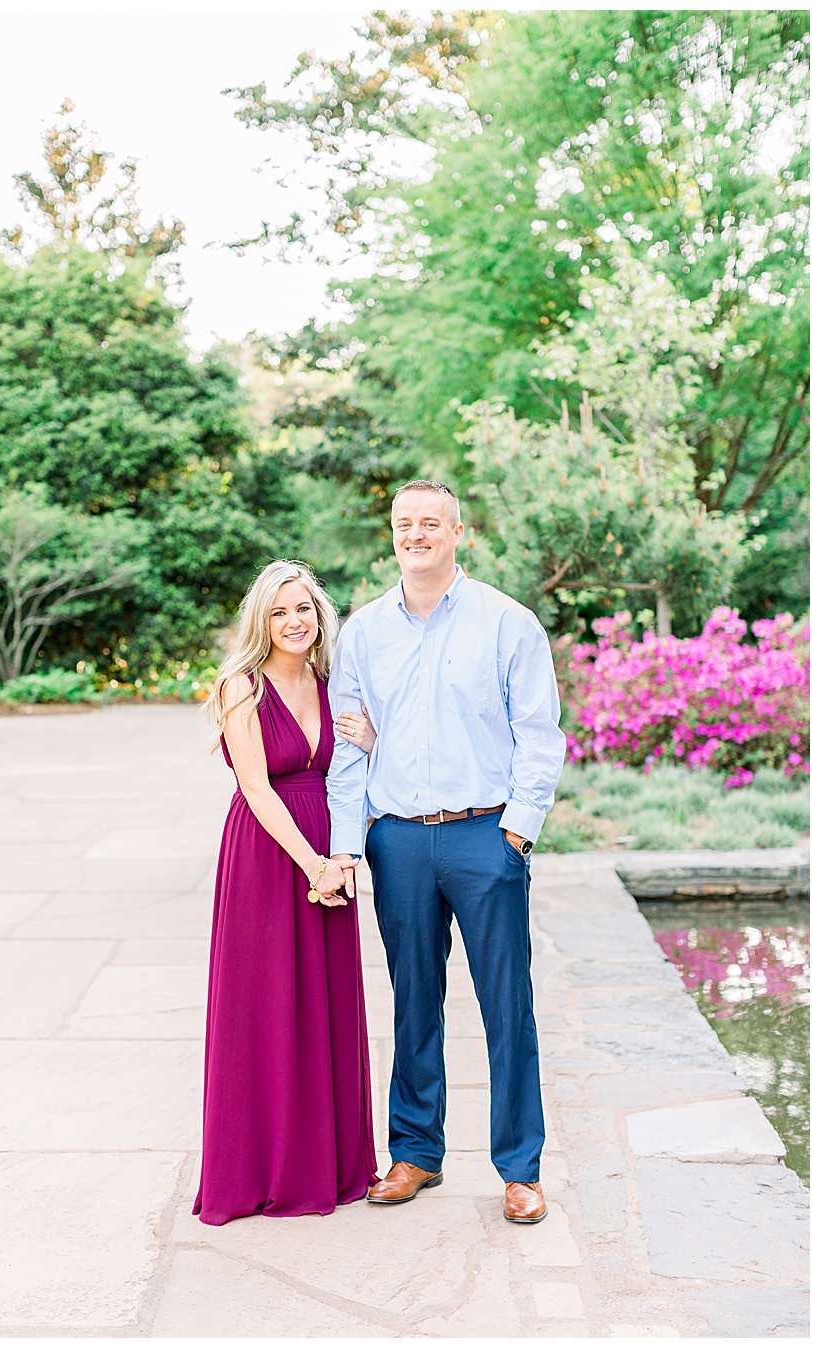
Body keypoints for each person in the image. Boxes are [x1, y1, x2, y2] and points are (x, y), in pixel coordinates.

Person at [325, 480, 565, 1225]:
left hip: (483, 836)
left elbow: (540, 735)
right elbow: (347, 747)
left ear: (459, 533)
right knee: (413, 1004)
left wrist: (516, 834)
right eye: (404, 524)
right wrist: (347, 849)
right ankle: (415, 1153)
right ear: (391, 534)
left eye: (431, 523)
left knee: (506, 1007)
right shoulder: (362, 633)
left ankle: (520, 1168)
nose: (416, 534)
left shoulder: (507, 623)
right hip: (397, 840)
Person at [192, 559, 379, 1225]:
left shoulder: (335, 685)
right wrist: (313, 865)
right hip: (270, 857)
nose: (294, 621)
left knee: (323, 1007)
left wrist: (343, 855)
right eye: (280, 611)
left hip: (331, 853)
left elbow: (356, 770)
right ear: (260, 621)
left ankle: (329, 1167)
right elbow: (256, 787)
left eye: (303, 609)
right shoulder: (240, 687)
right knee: (264, 1007)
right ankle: (258, 1172)